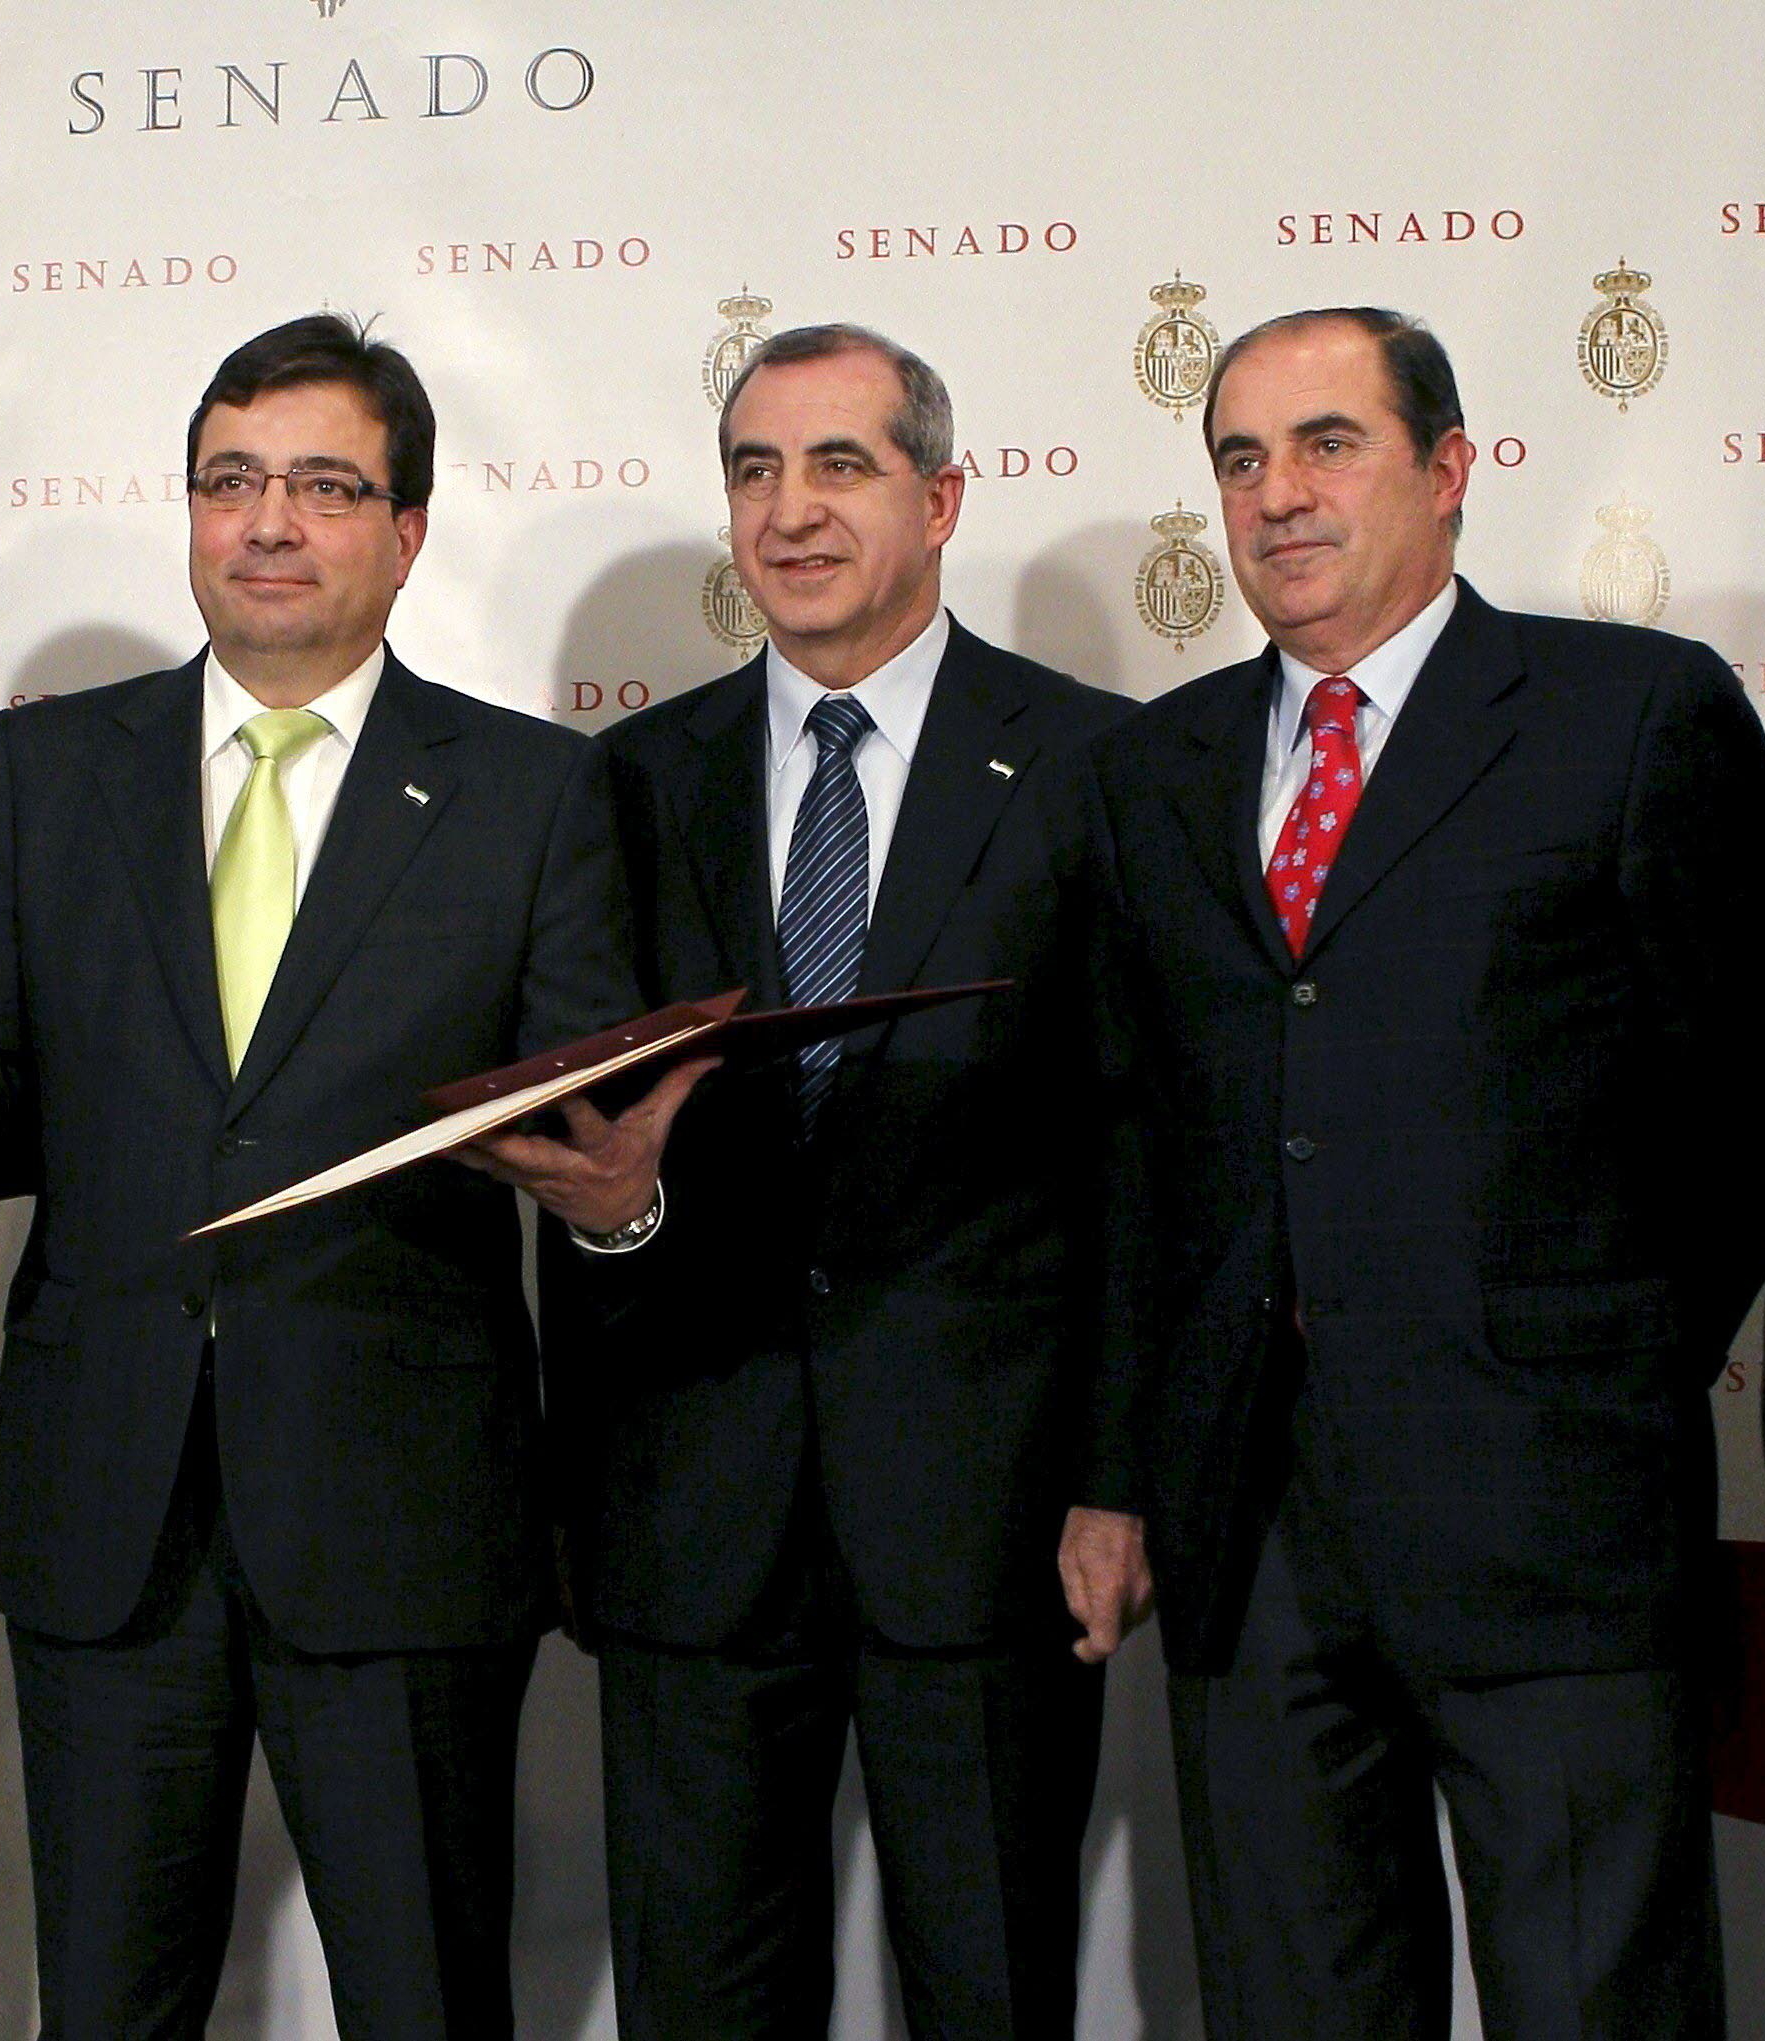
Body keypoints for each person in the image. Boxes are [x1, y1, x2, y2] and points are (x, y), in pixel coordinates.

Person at [0, 312, 678, 2037]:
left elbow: (595, 1124)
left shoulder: (533, 792)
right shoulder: (53, 764)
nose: (270, 523)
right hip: (109, 1513)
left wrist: (625, 1210)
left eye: (321, 483)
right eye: (231, 481)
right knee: (104, 2003)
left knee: (424, 1999)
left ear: (406, 529)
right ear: (189, 512)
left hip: (401, 1518)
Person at [1065, 306, 1765, 2036]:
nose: (1275, 495)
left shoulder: (1626, 714)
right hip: (1250, 1537)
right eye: (1238, 457)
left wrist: (1579, 1367)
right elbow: (1135, 1148)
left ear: (1447, 471)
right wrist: (1117, 1469)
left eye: (1326, 445)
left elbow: (1743, 1114)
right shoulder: (1150, 770)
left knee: (1592, 2004)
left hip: (1549, 1521)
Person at [538, 324, 1129, 2038]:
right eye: (752, 469)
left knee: (990, 1988)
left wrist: (1114, 1473)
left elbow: (1143, 1151)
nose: (788, 512)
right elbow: (592, 1167)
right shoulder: (625, 783)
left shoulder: (1097, 765)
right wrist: (578, 1489)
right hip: (688, 1517)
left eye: (838, 465)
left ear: (941, 497)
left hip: (989, 1517)